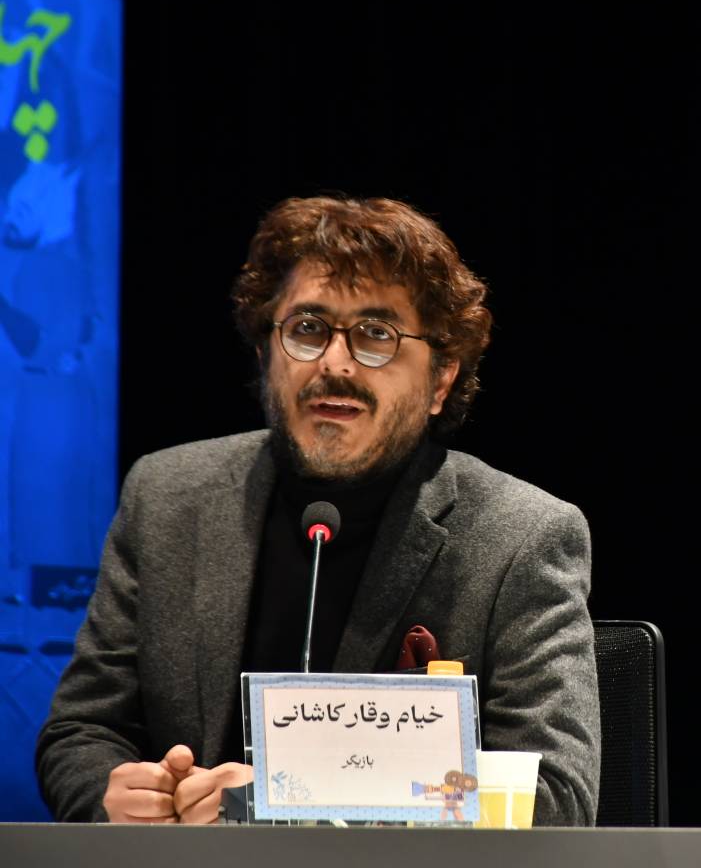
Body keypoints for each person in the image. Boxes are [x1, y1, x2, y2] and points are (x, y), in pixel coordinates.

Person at [34, 196, 600, 825]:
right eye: (307, 329)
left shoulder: (520, 537)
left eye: (377, 335)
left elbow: (555, 797)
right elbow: (82, 730)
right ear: (265, 354)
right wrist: (116, 797)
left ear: (440, 380)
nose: (334, 363)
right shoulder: (167, 495)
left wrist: (285, 799)